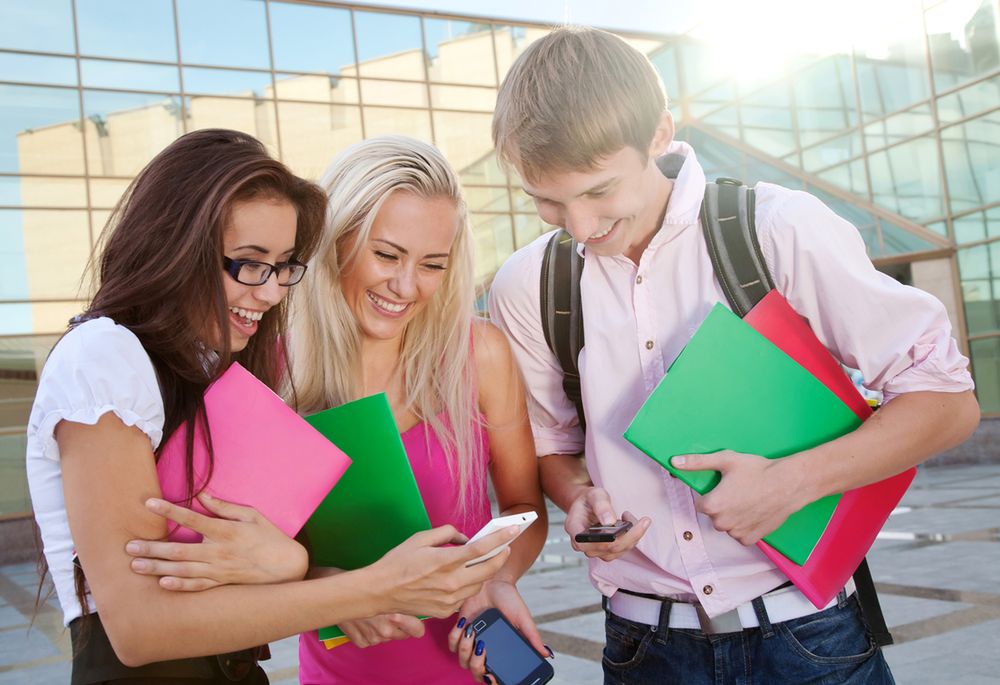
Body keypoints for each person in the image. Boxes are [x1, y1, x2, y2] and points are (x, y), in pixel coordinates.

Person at [487, 27, 980, 685]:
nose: (579, 227)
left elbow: (948, 403)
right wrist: (579, 498)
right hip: (643, 650)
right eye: (547, 202)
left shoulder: (777, 229)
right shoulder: (530, 285)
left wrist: (790, 482)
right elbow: (553, 445)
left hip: (810, 639)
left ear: (659, 135)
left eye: (600, 191)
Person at [26, 129, 517, 685]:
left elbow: (214, 567)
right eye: (249, 264)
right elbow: (141, 627)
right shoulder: (103, 357)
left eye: (283, 267)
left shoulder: (199, 366)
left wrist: (292, 565)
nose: (270, 292)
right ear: (177, 243)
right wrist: (375, 586)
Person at [286, 135, 549, 684]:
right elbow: (259, 545)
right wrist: (331, 589)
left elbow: (524, 506)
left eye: (432, 264)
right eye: (386, 255)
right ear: (337, 239)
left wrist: (497, 579)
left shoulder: (480, 354)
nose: (406, 287)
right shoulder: (276, 368)